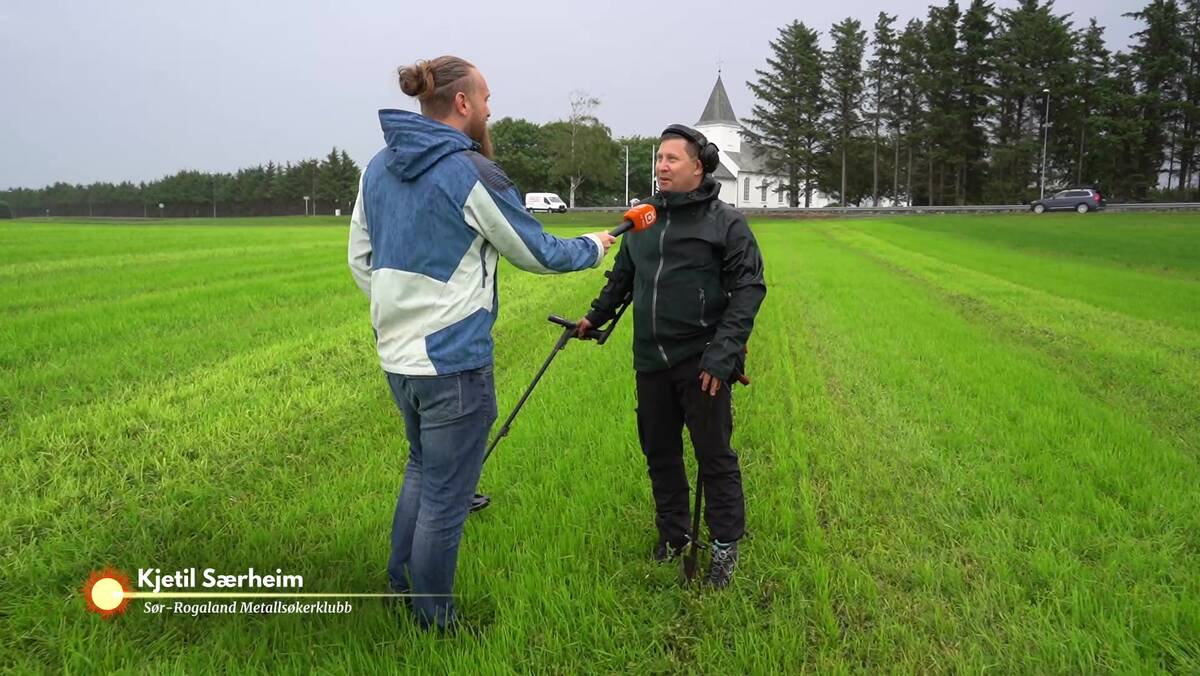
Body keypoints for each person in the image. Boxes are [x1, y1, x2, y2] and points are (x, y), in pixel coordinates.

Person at [348, 55, 615, 630]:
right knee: (445, 499)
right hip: (455, 365)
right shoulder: (470, 172)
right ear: (463, 103)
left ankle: (400, 589)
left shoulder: (376, 168)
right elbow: (537, 251)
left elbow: (361, 260)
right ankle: (434, 621)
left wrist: (404, 319)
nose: (492, 107)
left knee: (421, 471)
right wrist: (594, 244)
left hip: (399, 358)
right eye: (487, 96)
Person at [576, 124, 765, 588]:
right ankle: (674, 534)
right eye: (658, 158)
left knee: (714, 456)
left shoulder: (726, 223)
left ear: (699, 166)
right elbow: (622, 277)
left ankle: (724, 545)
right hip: (651, 360)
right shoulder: (644, 219)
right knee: (659, 451)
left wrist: (722, 355)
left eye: (672, 159)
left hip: (703, 362)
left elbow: (748, 290)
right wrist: (593, 318)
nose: (661, 166)